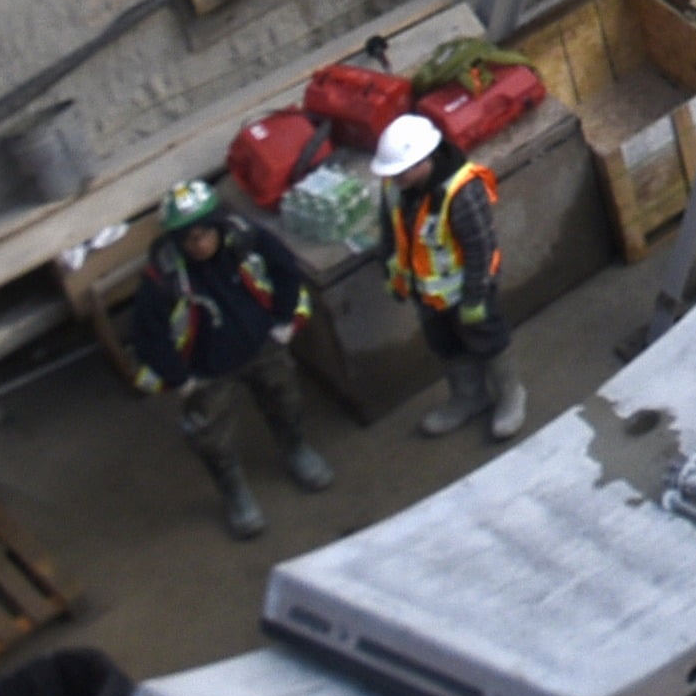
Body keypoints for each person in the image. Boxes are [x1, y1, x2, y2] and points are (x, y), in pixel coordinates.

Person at [126, 180, 336, 537]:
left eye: (206, 233)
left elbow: (284, 267)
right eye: (190, 239)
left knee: (284, 399)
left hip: (263, 346)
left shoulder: (245, 239)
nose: (200, 244)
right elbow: (148, 336)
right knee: (211, 435)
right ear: (177, 240)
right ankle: (234, 490)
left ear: (218, 225)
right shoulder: (163, 279)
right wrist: (180, 377)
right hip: (206, 371)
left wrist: (284, 319)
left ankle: (295, 449)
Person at [376, 114, 526, 440]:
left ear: (422, 161)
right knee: (445, 344)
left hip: (467, 290)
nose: (394, 179)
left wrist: (475, 298)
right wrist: (392, 273)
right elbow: (391, 232)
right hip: (427, 292)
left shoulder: (462, 192)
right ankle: (469, 397)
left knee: (488, 339)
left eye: (400, 172)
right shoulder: (395, 187)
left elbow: (482, 249)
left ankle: (511, 395)